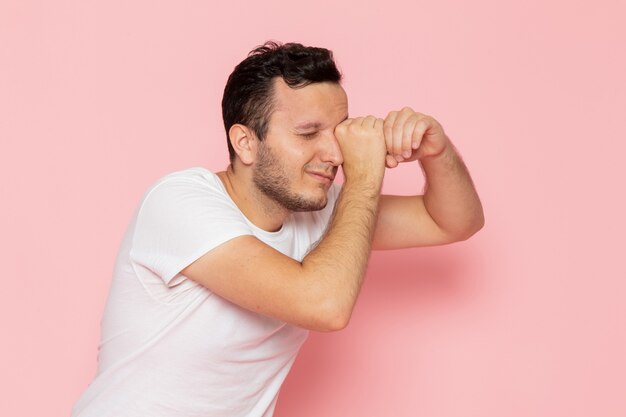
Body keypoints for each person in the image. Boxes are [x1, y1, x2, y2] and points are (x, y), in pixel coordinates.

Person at [71, 41, 484, 417]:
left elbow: (452, 220)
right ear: (245, 143)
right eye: (308, 133)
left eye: (339, 131)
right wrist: (363, 179)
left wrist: (436, 149)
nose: (336, 153)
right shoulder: (179, 202)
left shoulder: (320, 212)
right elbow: (324, 304)